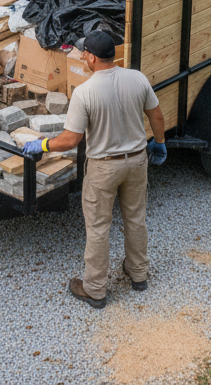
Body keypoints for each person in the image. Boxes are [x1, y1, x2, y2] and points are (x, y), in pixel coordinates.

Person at [22, 28, 166, 309]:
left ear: (90, 58)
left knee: (99, 227)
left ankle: (95, 289)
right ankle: (138, 274)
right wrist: (159, 144)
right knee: (135, 219)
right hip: (137, 161)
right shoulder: (137, 78)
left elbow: (70, 140)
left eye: (85, 53)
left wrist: (43, 146)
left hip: (104, 168)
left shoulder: (85, 92)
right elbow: (157, 115)